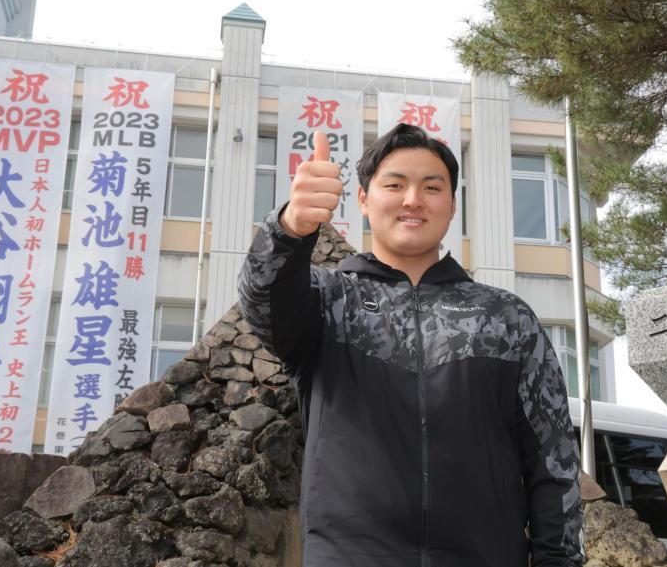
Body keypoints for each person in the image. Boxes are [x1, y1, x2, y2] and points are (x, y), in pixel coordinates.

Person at [238, 123, 583, 566]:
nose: (412, 199)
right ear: (363, 199)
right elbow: (262, 302)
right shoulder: (327, 302)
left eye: (432, 187)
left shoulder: (505, 317)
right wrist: (289, 229)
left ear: (453, 205)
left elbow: (553, 462)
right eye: (395, 184)